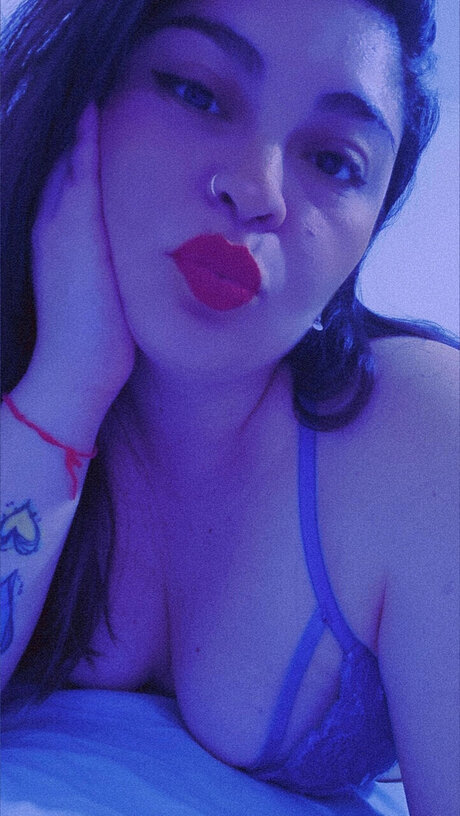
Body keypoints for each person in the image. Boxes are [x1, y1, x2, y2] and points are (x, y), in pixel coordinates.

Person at [1, 0, 458, 814]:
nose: (257, 190)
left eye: (334, 160)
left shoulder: (418, 435)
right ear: (88, 91)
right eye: (197, 93)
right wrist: (67, 379)